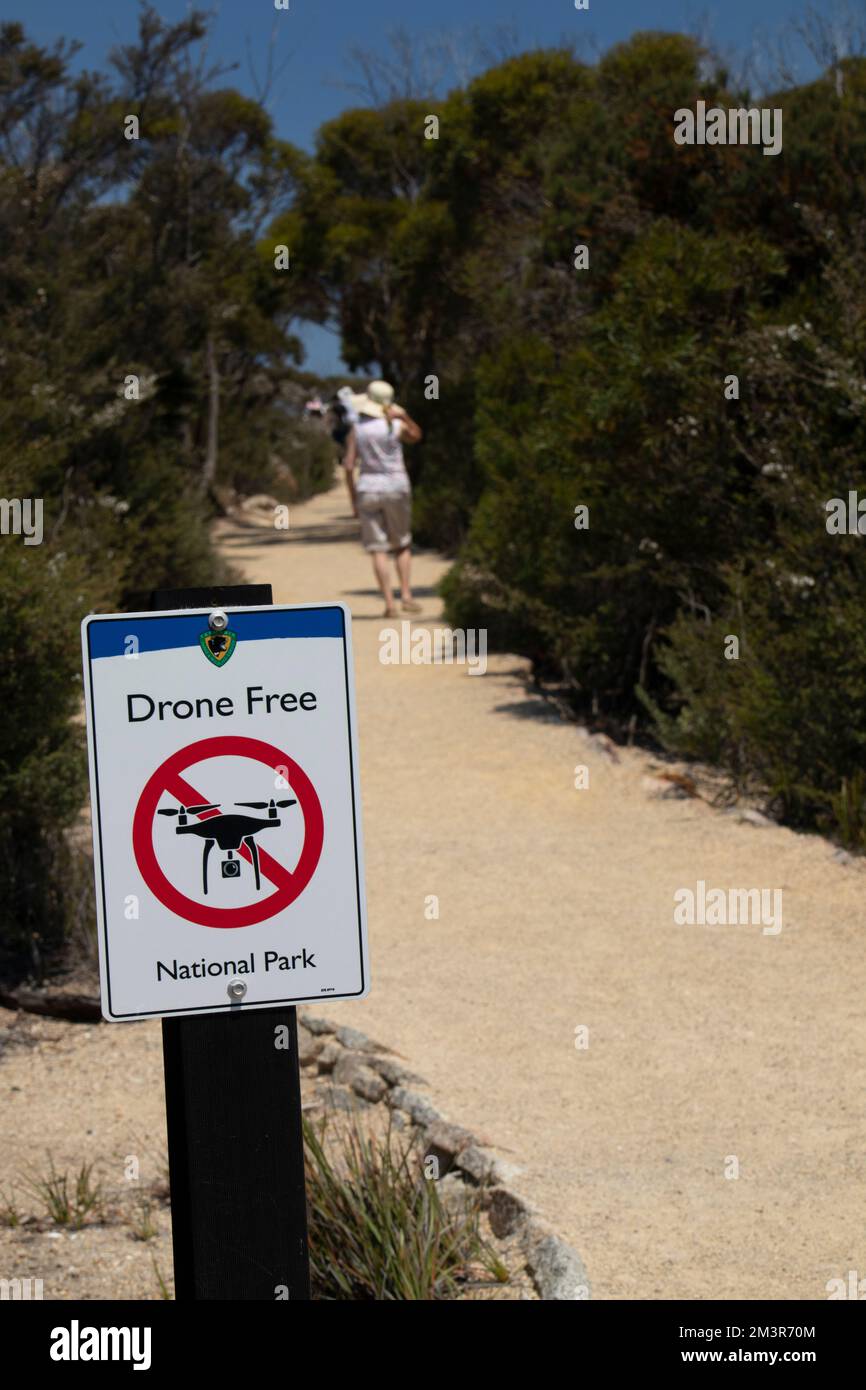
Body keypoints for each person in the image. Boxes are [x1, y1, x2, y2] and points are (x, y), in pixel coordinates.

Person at [343, 380, 423, 618]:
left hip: (368, 488)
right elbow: (416, 436)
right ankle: (406, 595)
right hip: (397, 486)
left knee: (378, 549)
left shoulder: (357, 429)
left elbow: (348, 466)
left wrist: (353, 499)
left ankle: (389, 603)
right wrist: (405, 416)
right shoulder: (395, 425)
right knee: (402, 544)